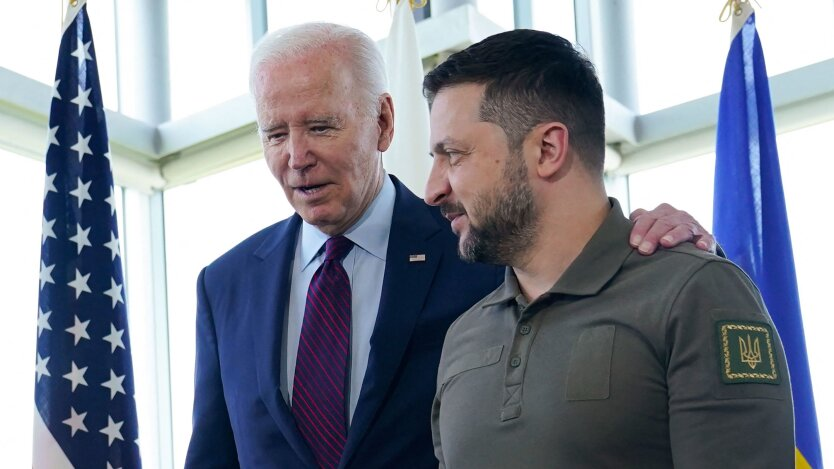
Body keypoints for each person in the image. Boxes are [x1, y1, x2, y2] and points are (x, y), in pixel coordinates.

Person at [184, 23, 716, 469]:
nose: (296, 157)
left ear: (384, 123)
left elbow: (577, 242)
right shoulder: (225, 284)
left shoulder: (482, 244)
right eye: (275, 135)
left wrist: (660, 237)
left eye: (321, 127)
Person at [424, 29, 794, 469]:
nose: (432, 188)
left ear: (547, 149)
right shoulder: (463, 335)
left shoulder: (693, 294)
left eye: (454, 155)